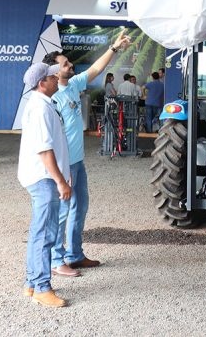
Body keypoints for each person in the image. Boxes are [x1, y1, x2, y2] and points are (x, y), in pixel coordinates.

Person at [42, 30, 131, 278]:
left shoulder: (71, 85)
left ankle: (74, 255)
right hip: (63, 164)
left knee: (79, 207)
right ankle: (56, 260)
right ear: (53, 71)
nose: (70, 65)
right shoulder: (51, 97)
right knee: (62, 212)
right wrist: (59, 171)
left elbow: (94, 70)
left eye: (68, 62)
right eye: (65, 64)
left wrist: (114, 48)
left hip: (77, 162)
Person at [18, 62, 71, 308]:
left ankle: (31, 282)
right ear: (42, 83)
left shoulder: (42, 105)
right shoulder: (40, 109)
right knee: (45, 233)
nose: (57, 77)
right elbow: (44, 149)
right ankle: (41, 287)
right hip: (44, 179)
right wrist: (60, 181)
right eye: (52, 76)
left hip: (43, 177)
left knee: (41, 231)